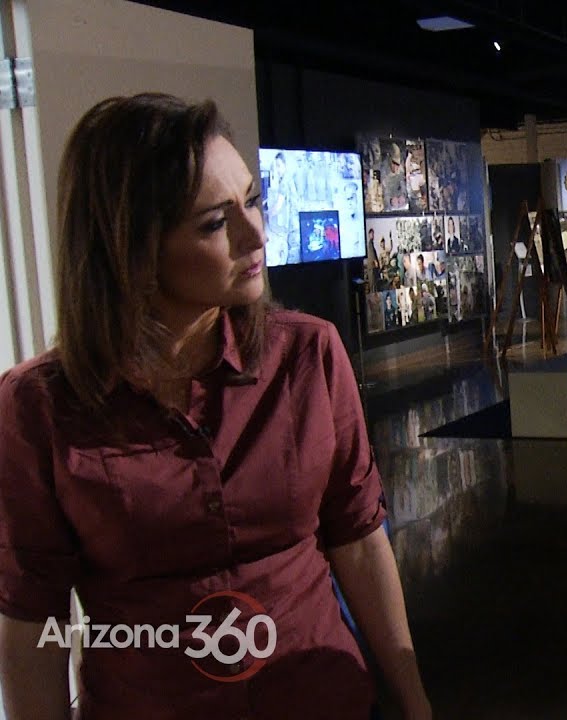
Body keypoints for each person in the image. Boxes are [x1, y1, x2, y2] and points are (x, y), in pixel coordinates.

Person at [0, 93, 431, 719]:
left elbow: (359, 540)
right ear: (130, 246)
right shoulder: (39, 407)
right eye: (213, 222)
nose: (255, 234)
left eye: (253, 201)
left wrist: (415, 702)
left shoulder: (307, 356)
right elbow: (31, 618)